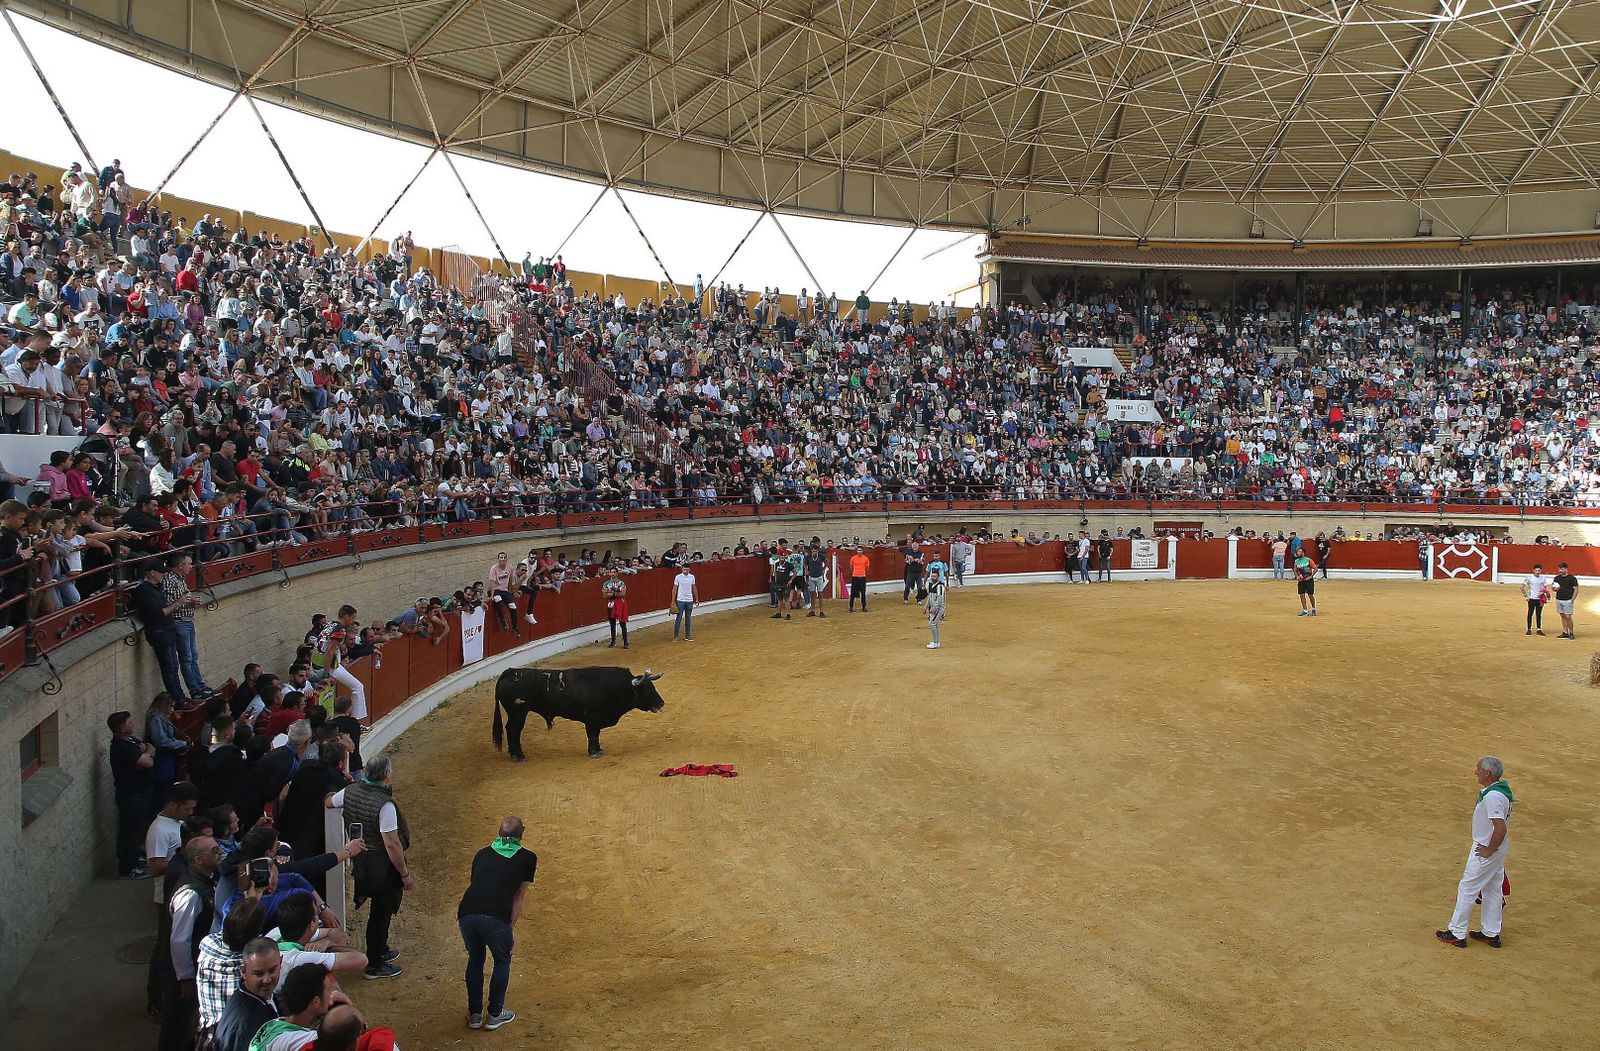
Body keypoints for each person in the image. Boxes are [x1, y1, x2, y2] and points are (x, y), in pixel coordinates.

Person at [327, 754, 410, 979]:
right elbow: (392, 844)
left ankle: (380, 950)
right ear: (385, 775)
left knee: (379, 910)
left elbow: (329, 802)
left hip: (361, 860)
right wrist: (404, 874)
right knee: (380, 913)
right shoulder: (385, 806)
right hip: (381, 864)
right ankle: (375, 964)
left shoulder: (350, 791)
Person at [457, 816, 537, 1031]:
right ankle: (494, 1014)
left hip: (467, 913)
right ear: (522, 834)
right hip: (495, 917)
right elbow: (518, 897)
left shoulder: (481, 854)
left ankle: (475, 1015)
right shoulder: (528, 858)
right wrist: (508, 930)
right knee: (502, 960)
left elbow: (478, 884)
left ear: (499, 834)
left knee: (475, 958)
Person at [1437, 757, 1515, 949]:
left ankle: (1456, 932)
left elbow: (1500, 829)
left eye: (1478, 769)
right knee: (1492, 888)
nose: (1475, 772)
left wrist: (1488, 850)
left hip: (1487, 848)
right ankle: (1491, 931)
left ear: (1488, 773)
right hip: (1494, 847)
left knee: (1468, 886)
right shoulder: (1497, 793)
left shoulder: (1493, 797)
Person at [163, 835, 224, 1051]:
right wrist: (186, 977)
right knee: (180, 1019)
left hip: (198, 961)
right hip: (188, 969)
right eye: (214, 851)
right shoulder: (190, 894)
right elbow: (180, 939)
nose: (220, 853)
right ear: (198, 859)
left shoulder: (208, 878)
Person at [132, 559, 197, 702]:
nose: (163, 575)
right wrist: (178, 603)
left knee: (173, 666)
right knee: (169, 668)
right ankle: (178, 699)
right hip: (159, 632)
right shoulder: (143, 590)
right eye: (161, 572)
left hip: (167, 630)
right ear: (152, 573)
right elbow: (158, 613)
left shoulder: (156, 587)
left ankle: (180, 697)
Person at [108, 710, 156, 877]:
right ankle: (128, 868)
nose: (133, 723)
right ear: (121, 729)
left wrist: (146, 752)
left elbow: (149, 748)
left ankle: (136, 858)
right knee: (129, 832)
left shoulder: (131, 741)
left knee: (138, 829)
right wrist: (146, 754)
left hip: (140, 793)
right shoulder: (121, 747)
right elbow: (148, 761)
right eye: (129, 722)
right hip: (130, 796)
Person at [251, 961, 340, 1050]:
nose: (332, 994)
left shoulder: (276, 1024)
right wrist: (347, 1005)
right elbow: (346, 1038)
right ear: (316, 1001)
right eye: (329, 989)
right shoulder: (292, 1040)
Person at [164, 551, 215, 699]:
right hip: (179, 622)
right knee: (187, 658)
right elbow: (170, 604)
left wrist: (191, 602)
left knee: (192, 657)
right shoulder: (170, 580)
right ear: (180, 565)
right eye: (189, 564)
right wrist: (188, 602)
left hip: (187, 621)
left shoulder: (180, 579)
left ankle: (200, 686)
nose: (191, 567)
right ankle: (195, 690)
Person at [214, 938, 280, 1051]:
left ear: (281, 963)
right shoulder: (244, 1025)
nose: (267, 980)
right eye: (258, 974)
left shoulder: (262, 996)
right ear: (243, 971)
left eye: (272, 970)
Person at [319, 605, 368, 720]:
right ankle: (356, 720)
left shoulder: (330, 624)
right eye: (352, 617)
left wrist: (341, 645)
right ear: (345, 616)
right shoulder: (340, 629)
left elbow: (325, 644)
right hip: (330, 666)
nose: (353, 621)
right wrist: (326, 674)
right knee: (358, 687)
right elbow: (330, 651)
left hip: (322, 663)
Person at [1552, 562, 1579, 639]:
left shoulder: (1572, 578)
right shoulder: (1557, 578)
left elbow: (1576, 589)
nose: (1560, 571)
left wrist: (1572, 599)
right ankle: (1565, 632)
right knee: (1562, 616)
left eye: (1562, 569)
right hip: (1559, 599)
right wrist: (1554, 589)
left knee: (1568, 616)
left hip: (1568, 600)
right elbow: (1553, 587)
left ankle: (1571, 632)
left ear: (1566, 569)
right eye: (1559, 569)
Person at [672, 563, 697, 641]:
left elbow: (694, 588)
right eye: (684, 569)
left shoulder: (692, 577)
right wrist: (673, 600)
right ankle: (676, 636)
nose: (685, 571)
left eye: (687, 570)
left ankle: (687, 635)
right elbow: (674, 589)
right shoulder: (678, 577)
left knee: (688, 618)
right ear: (682, 569)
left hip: (689, 600)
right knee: (678, 618)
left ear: (689, 569)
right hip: (680, 600)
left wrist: (696, 598)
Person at [924, 564, 947, 649]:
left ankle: (935, 642)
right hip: (934, 608)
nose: (933, 578)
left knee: (932, 624)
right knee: (935, 624)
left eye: (935, 576)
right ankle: (936, 642)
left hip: (939, 608)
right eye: (932, 576)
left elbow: (940, 599)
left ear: (938, 577)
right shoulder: (931, 584)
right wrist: (926, 607)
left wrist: (934, 608)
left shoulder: (940, 586)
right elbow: (930, 596)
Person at [1523, 564, 1549, 636]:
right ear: (1533, 570)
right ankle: (1529, 629)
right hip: (1531, 598)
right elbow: (1522, 587)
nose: (1537, 572)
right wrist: (1526, 596)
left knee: (1538, 614)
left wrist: (1545, 595)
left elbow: (1545, 588)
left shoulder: (1543, 578)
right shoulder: (1529, 578)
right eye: (1536, 570)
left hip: (1540, 599)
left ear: (1541, 571)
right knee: (1530, 613)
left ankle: (1539, 629)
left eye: (1539, 570)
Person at [603, 576, 628, 648]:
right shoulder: (606, 583)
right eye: (611, 572)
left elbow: (622, 594)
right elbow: (604, 595)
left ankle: (625, 642)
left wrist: (611, 593)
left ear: (616, 573)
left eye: (614, 572)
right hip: (611, 604)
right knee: (612, 624)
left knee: (622, 623)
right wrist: (616, 592)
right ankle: (613, 642)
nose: (612, 574)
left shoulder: (621, 583)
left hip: (620, 604)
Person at [804, 543, 828, 618]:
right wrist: (806, 570)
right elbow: (804, 564)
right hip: (811, 577)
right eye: (813, 551)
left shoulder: (821, 556)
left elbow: (826, 562)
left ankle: (821, 611)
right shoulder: (808, 557)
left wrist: (823, 569)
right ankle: (813, 611)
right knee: (812, 594)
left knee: (820, 594)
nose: (814, 553)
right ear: (811, 551)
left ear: (818, 551)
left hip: (819, 577)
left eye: (816, 551)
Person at [1294, 551, 1318, 617]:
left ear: (1303, 553)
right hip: (1301, 581)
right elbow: (1295, 570)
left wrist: (1311, 576)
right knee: (1302, 595)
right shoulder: (1296, 561)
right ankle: (1305, 611)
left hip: (1309, 580)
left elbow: (1315, 568)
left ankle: (1313, 609)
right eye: (1297, 552)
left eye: (1299, 552)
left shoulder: (1308, 560)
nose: (1297, 553)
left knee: (1310, 595)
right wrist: (1297, 576)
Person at [901, 540, 925, 604]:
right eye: (913, 546)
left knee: (919, 587)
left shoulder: (921, 553)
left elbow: (921, 562)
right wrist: (915, 560)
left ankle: (919, 600)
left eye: (916, 546)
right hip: (911, 572)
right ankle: (905, 599)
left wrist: (913, 559)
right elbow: (908, 561)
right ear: (912, 546)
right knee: (907, 586)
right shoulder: (909, 553)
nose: (914, 547)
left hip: (918, 572)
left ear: (918, 547)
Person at [848, 545, 870, 612]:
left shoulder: (866, 559)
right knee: (852, 593)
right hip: (855, 577)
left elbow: (867, 568)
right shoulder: (853, 558)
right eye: (858, 550)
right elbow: (851, 567)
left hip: (862, 577)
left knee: (863, 593)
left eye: (860, 550)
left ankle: (864, 607)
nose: (859, 551)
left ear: (862, 551)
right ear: (856, 551)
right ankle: (851, 607)